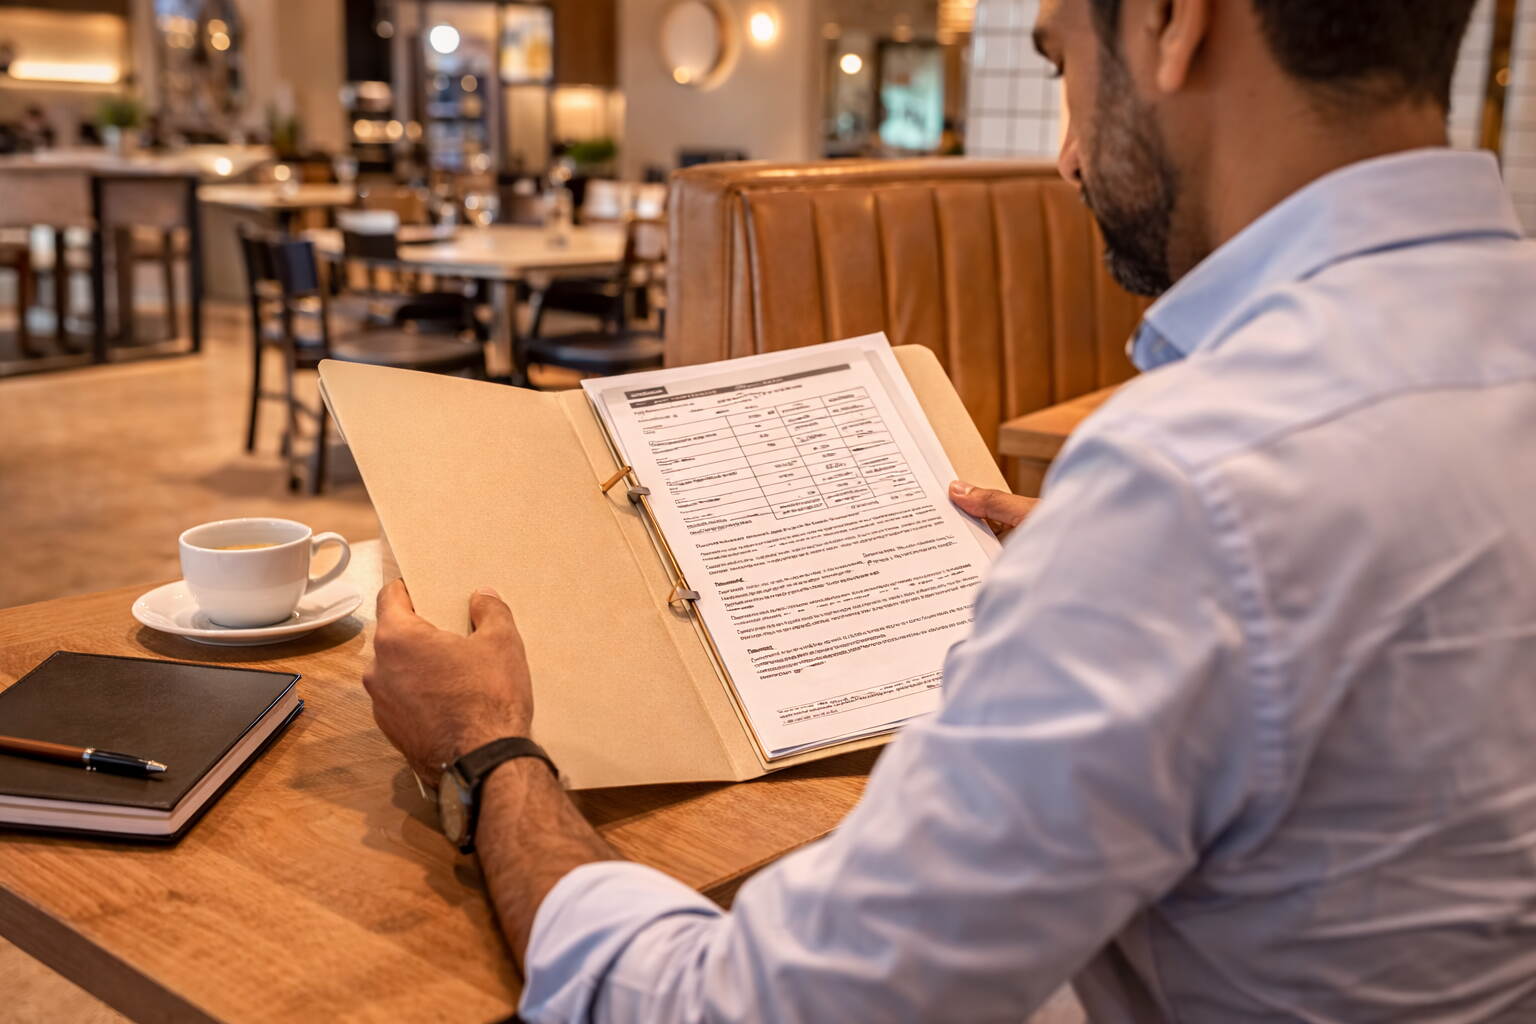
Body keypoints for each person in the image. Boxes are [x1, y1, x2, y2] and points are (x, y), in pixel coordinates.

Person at [362, 0, 1536, 1018]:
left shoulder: (1194, 487)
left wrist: (492, 750)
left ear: (1173, 22)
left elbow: (730, 1007)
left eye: (1061, 60)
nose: (1070, 154)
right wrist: (1116, 580)